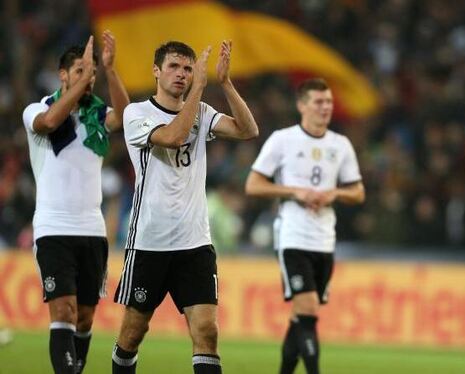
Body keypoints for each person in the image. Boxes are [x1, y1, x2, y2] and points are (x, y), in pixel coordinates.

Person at [111, 40, 258, 374]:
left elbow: (249, 130)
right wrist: (201, 89)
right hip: (150, 243)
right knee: (133, 333)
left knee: (206, 331)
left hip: (195, 243)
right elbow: (174, 137)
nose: (182, 74)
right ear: (157, 71)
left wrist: (226, 84)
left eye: (188, 69)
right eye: (174, 67)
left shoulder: (202, 112)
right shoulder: (137, 114)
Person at [22, 31, 129, 374]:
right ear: (63, 75)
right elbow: (51, 123)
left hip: (92, 231)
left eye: (91, 74)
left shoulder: (97, 116)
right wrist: (79, 85)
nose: (88, 79)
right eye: (80, 71)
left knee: (84, 317)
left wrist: (110, 71)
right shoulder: (38, 109)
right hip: (53, 227)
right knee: (64, 311)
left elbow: (126, 119)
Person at [245, 78, 365, 374]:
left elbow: (358, 192)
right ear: (301, 105)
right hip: (292, 237)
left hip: (324, 240)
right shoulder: (282, 140)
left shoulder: (340, 145)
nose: (326, 108)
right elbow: (253, 185)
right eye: (319, 102)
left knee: (302, 317)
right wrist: (293, 192)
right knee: (308, 311)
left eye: (329, 102)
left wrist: (335, 193)